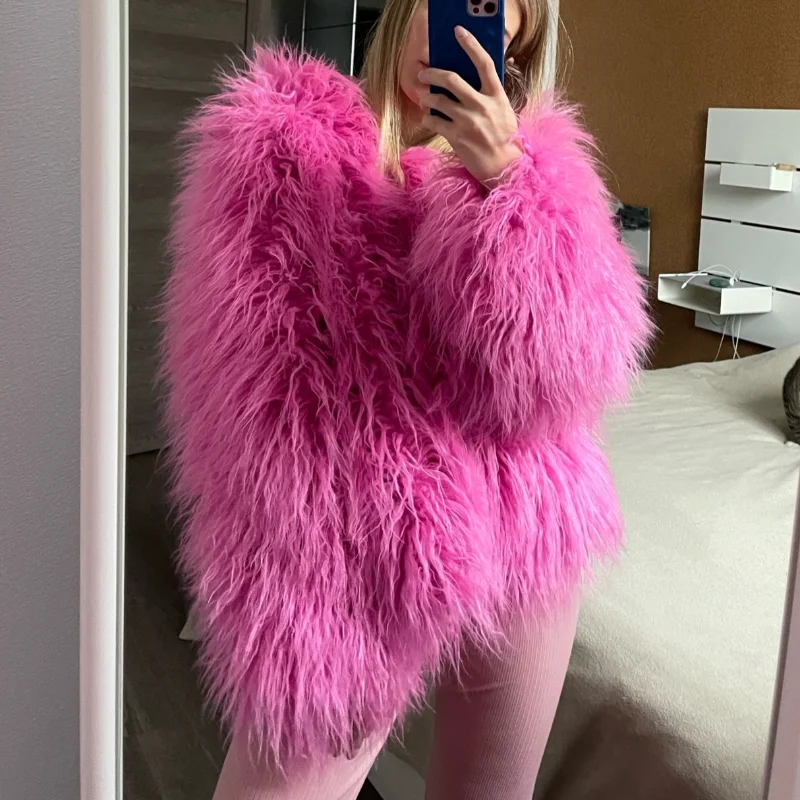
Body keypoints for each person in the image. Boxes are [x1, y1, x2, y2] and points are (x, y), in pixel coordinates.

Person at [161, 0, 652, 797]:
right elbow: (251, 414)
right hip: (365, 557)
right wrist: (320, 602)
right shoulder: (277, 148)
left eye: (499, 15)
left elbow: (571, 381)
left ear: (517, 42)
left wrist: (508, 188)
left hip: (529, 525)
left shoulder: (542, 168)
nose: (462, 31)